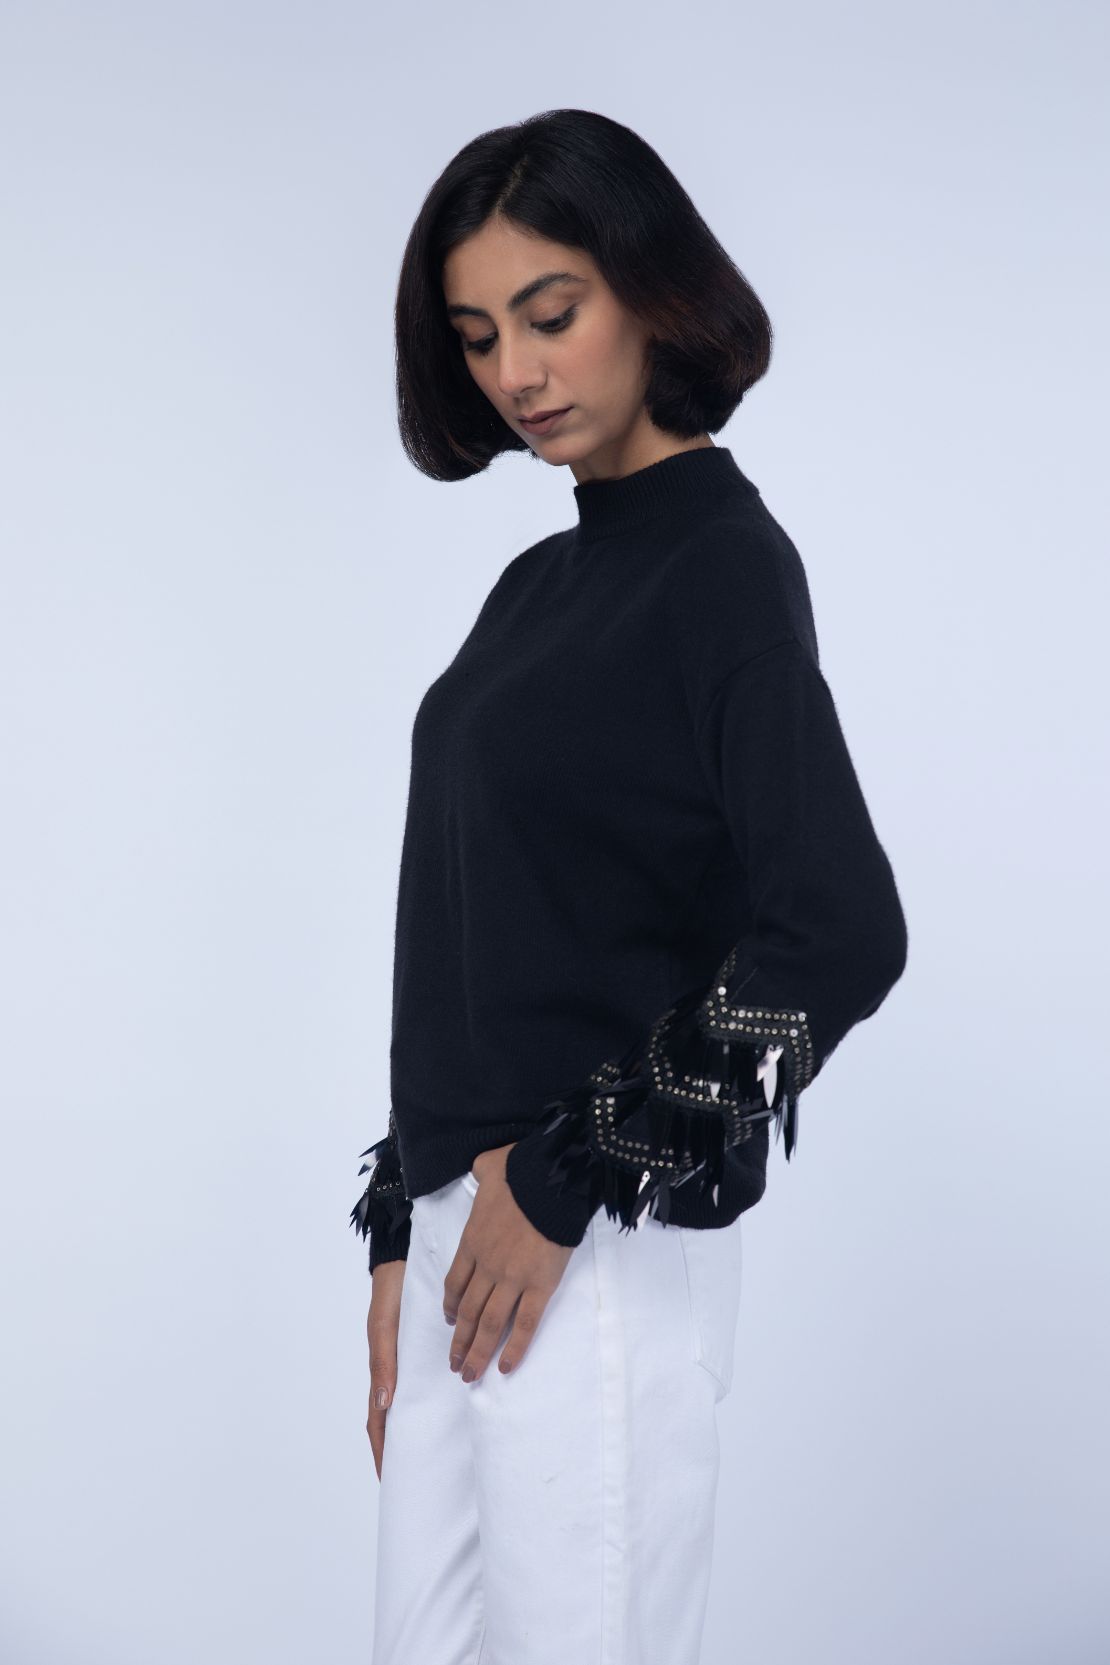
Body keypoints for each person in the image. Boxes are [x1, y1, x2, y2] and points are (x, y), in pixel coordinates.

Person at [349, 108, 909, 1665]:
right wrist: (401, 1223)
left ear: (651, 289)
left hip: (589, 1246)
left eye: (550, 313)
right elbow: (466, 927)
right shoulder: (536, 585)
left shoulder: (719, 564)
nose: (515, 372)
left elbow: (839, 929)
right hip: (468, 1235)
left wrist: (568, 1171)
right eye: (478, 336)